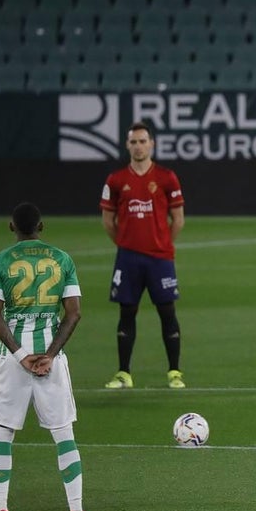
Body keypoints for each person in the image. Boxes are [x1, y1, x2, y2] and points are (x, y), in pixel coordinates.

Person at [0, 202, 101, 511]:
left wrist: (21, 355)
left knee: (3, 433)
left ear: (12, 227)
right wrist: (48, 354)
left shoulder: (0, 261)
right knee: (64, 434)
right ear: (42, 226)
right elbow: (74, 313)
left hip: (12, 359)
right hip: (52, 359)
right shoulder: (62, 259)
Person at [100, 121, 186, 390]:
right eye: (133, 142)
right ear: (127, 145)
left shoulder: (166, 177)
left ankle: (174, 372)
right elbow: (108, 220)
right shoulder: (115, 180)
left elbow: (178, 219)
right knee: (127, 312)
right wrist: (126, 244)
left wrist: (160, 244)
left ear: (152, 144)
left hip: (160, 259)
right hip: (128, 259)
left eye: (142, 141)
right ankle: (124, 373)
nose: (138, 146)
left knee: (167, 311)